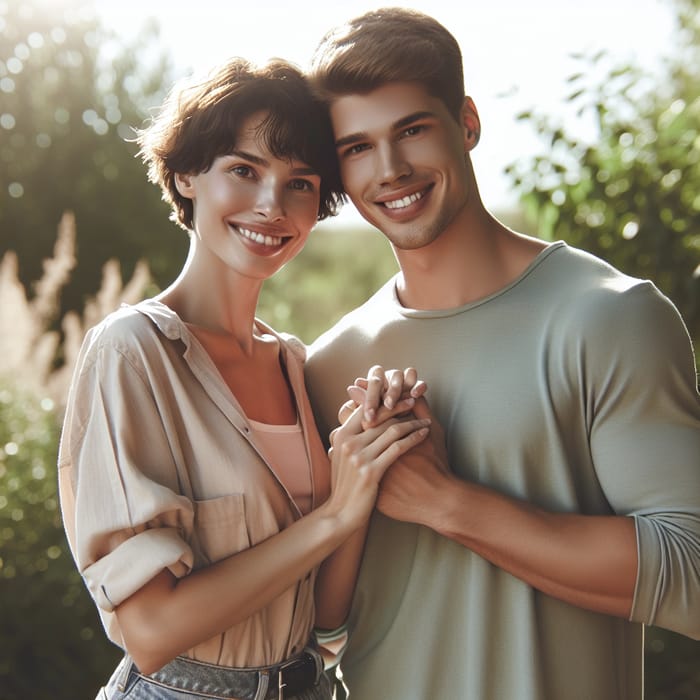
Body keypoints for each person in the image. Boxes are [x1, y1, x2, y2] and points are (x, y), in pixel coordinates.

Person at [304, 8, 700, 699]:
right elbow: (320, 626)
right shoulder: (330, 364)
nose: (391, 169)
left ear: (468, 123)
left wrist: (445, 501)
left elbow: (691, 570)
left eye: (412, 130)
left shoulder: (609, 318)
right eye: (358, 147)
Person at [57, 56, 432, 700]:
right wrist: (332, 517)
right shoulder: (134, 351)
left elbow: (323, 616)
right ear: (186, 177)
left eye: (300, 184)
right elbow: (151, 629)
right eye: (243, 170)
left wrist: (364, 469)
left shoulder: (293, 362)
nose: (271, 206)